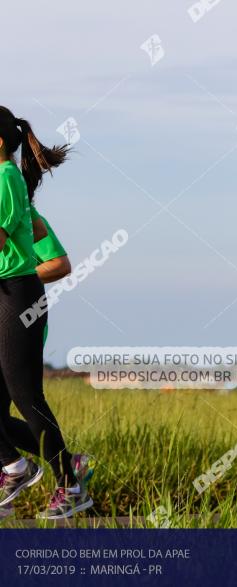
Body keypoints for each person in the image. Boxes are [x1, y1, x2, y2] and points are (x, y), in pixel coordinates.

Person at [0, 106, 92, 518]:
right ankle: (20, 466)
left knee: (26, 395)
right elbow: (28, 231)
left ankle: (69, 485)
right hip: (10, 293)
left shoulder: (4, 179)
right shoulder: (9, 181)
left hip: (16, 296)